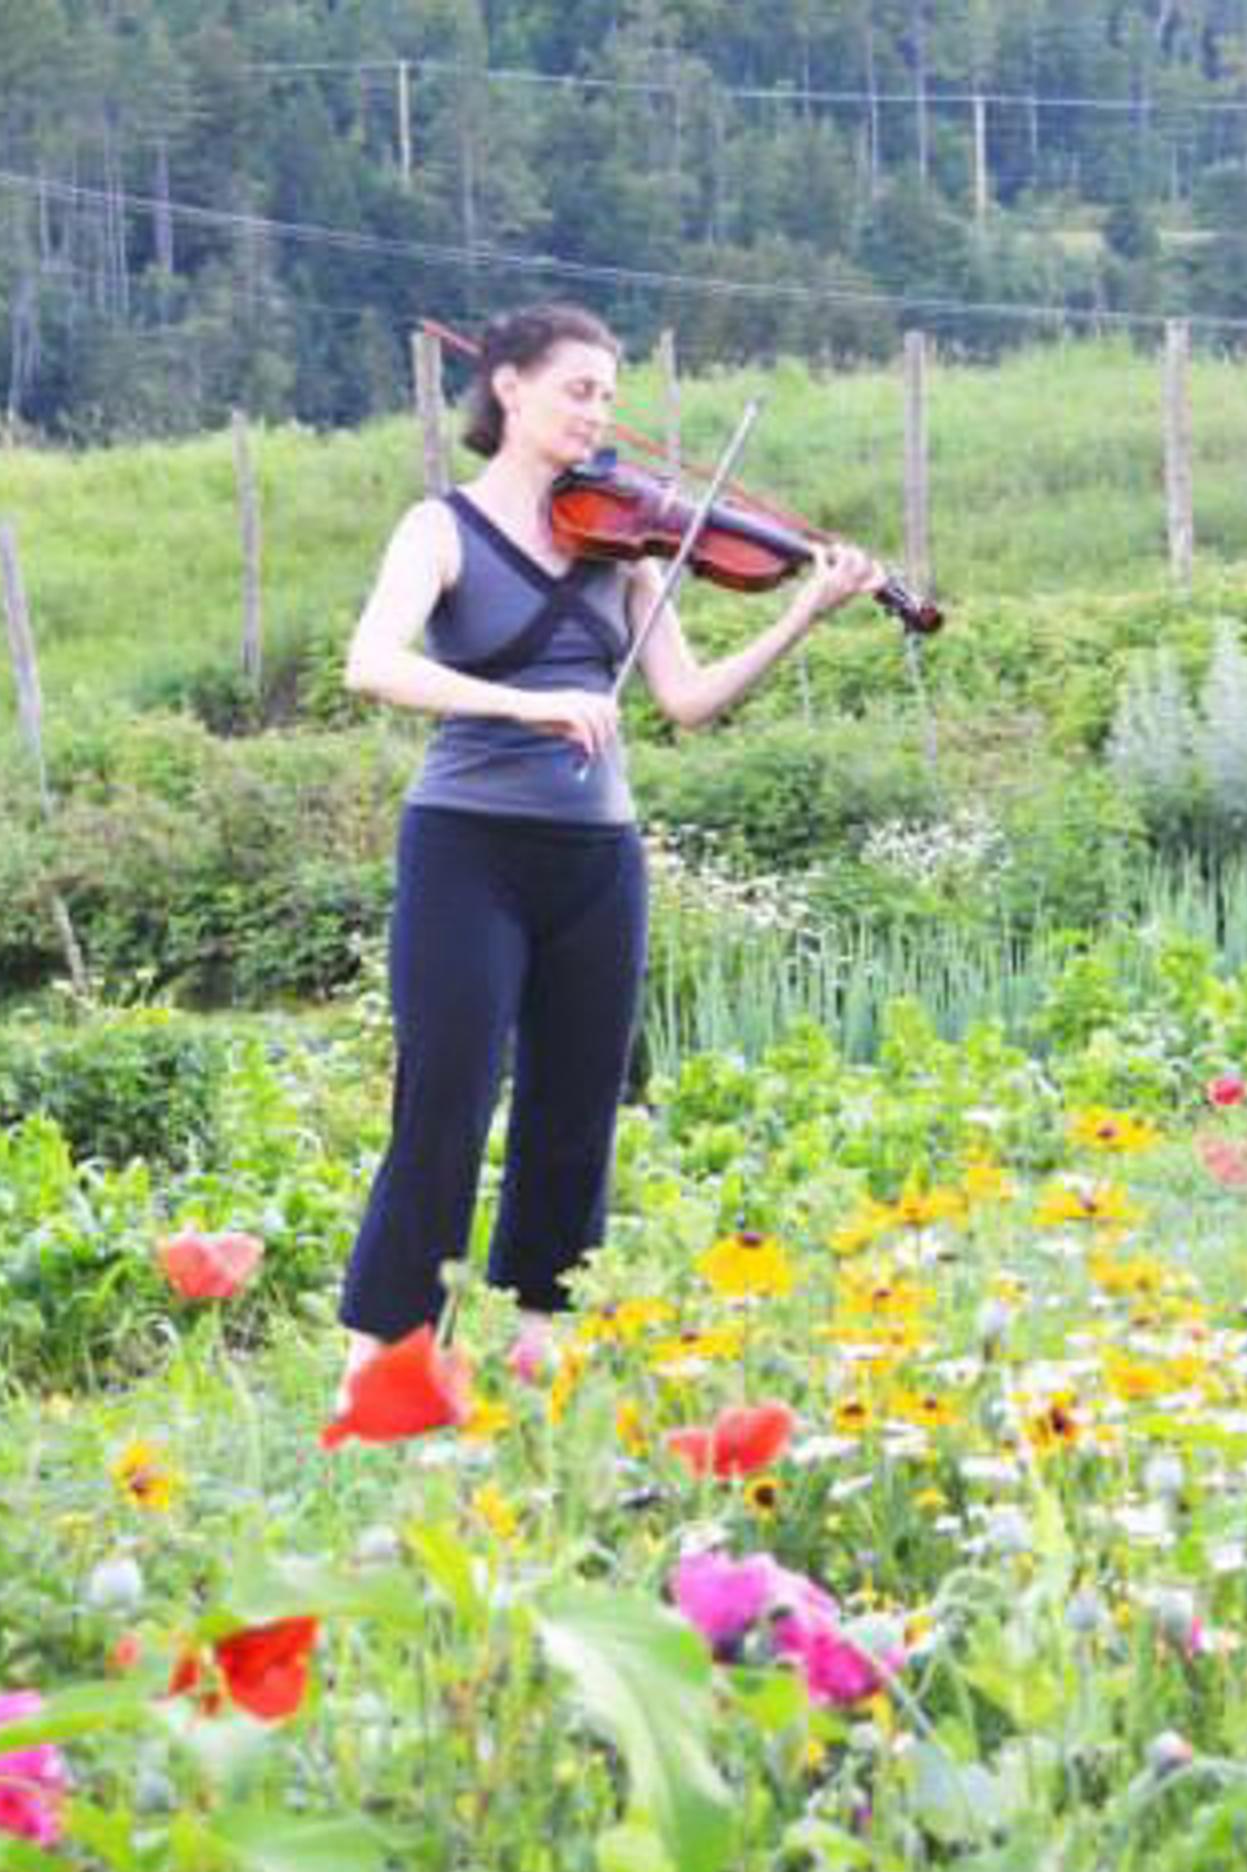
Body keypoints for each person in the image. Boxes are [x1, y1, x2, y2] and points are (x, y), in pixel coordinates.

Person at [333, 300, 882, 1389]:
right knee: (445, 1095)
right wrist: (524, 707)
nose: (601, 416)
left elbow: (684, 701)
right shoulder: (438, 528)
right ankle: (383, 1359)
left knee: (576, 1101)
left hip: (598, 860)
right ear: (511, 389)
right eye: (582, 391)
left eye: (610, 397)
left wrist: (799, 616)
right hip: (467, 848)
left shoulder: (628, 544)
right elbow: (372, 664)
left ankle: (542, 1339)